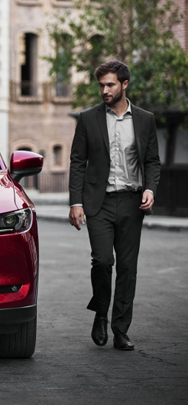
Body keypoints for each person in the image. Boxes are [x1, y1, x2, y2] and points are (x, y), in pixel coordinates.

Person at [68, 60, 161, 350]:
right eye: (101, 85)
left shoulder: (145, 119)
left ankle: (121, 329)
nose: (105, 90)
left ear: (124, 84)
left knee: (128, 268)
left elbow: (152, 161)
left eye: (110, 85)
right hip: (100, 203)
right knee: (102, 261)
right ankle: (100, 312)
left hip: (132, 202)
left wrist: (150, 189)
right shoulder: (88, 118)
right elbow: (77, 162)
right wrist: (76, 202)